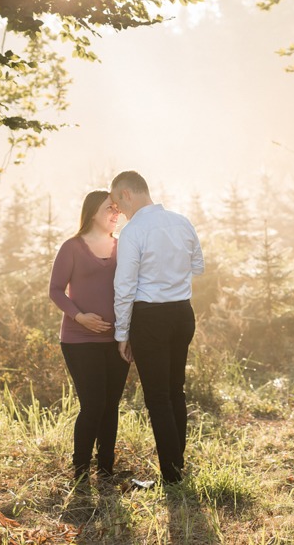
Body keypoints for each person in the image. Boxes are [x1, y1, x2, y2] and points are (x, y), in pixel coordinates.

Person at [111, 170, 204, 484]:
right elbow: (199, 267)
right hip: (183, 313)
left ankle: (172, 476)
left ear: (126, 194)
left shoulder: (133, 231)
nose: (118, 211)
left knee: (158, 397)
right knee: (175, 390)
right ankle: (176, 468)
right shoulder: (182, 221)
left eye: (116, 203)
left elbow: (124, 288)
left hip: (150, 318)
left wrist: (122, 334)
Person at [49, 190, 130, 489]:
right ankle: (80, 471)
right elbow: (56, 290)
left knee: (111, 406)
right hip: (79, 340)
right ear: (93, 212)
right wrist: (78, 316)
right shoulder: (72, 247)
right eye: (110, 207)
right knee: (93, 405)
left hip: (117, 340)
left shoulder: (123, 247)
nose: (116, 213)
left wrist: (129, 333)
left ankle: (106, 471)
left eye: (118, 208)